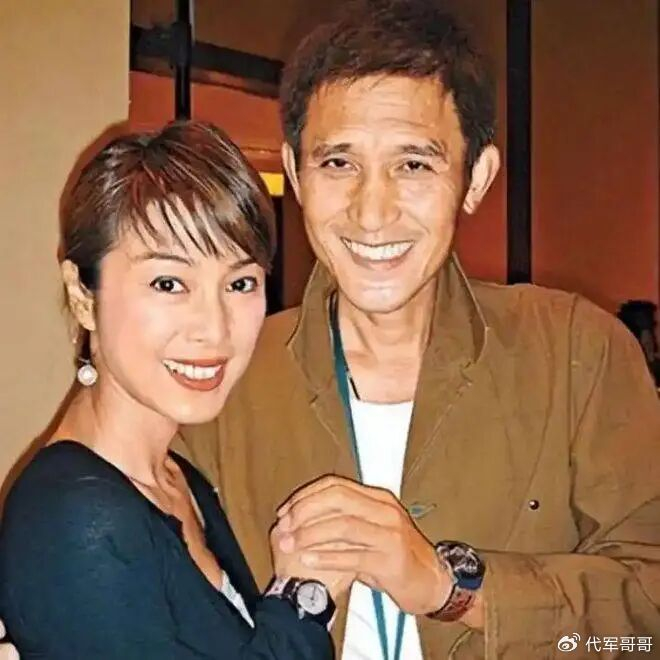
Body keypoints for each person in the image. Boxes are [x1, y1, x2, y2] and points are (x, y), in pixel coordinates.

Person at [175, 1, 660, 659]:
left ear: (475, 178)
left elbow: (644, 627)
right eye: (338, 163)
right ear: (295, 173)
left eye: (414, 165)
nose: (372, 213)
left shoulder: (579, 353)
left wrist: (453, 589)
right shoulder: (225, 376)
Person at [0, 121, 339, 659]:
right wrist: (304, 597)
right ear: (84, 296)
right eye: (169, 283)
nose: (215, 328)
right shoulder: (79, 520)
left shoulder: (177, 479)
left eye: (240, 283)